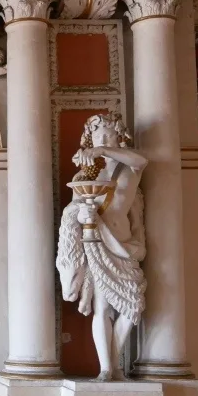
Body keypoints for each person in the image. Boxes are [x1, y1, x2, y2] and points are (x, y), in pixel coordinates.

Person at [56, 112, 148, 381]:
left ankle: (115, 364)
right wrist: (80, 213)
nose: (103, 139)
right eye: (98, 135)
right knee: (103, 308)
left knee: (133, 305)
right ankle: (108, 367)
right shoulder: (86, 173)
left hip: (124, 245)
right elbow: (73, 207)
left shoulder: (130, 167)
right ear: (89, 138)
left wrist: (105, 149)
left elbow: (142, 160)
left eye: (109, 135)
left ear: (119, 137)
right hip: (95, 241)